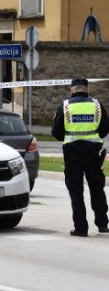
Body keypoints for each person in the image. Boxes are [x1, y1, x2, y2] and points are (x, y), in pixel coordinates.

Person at [51, 77, 109, 236]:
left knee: (76, 191)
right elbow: (104, 130)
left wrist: (71, 136)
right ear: (87, 89)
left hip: (72, 153)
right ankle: (103, 224)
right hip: (93, 152)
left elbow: (56, 132)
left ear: (72, 89)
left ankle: (81, 228)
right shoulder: (97, 105)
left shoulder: (64, 106)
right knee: (97, 188)